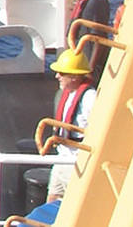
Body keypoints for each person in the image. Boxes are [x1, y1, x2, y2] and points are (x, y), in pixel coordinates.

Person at [46, 49, 96, 203]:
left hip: (75, 161)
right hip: (62, 157)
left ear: (74, 76)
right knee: (53, 197)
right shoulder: (67, 93)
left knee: (71, 202)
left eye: (62, 73)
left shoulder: (89, 97)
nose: (57, 76)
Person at [68, 0, 110, 85]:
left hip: (90, 62)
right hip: (84, 56)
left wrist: (90, 69)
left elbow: (98, 37)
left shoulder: (96, 1)